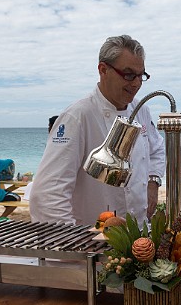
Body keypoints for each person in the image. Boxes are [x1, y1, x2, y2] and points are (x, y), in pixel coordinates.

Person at [30, 35, 165, 226]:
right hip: (90, 241)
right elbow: (48, 194)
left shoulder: (141, 111)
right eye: (128, 75)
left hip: (137, 237)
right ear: (103, 70)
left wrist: (153, 181)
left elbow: (157, 149)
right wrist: (75, 244)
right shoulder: (77, 116)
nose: (136, 83)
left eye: (140, 75)